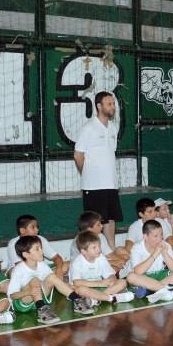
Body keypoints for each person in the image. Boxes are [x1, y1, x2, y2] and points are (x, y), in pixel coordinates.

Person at [74, 91, 123, 252]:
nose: (113, 107)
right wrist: (86, 173)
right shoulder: (89, 128)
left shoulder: (113, 128)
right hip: (93, 185)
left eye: (113, 104)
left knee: (110, 219)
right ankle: (92, 251)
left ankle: (111, 249)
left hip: (111, 183)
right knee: (94, 222)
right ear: (99, 106)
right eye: (109, 104)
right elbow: (78, 155)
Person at [7, 236, 92, 324]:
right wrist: (27, 292)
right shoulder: (18, 270)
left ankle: (77, 300)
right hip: (23, 303)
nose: (41, 251)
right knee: (35, 280)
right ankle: (42, 311)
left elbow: (55, 281)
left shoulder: (42, 265)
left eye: (41, 248)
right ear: (26, 254)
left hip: (39, 298)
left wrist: (69, 287)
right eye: (37, 249)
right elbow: (11, 296)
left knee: (51, 276)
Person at [125, 220, 173, 303]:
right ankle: (168, 289)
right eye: (155, 236)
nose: (160, 239)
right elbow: (138, 272)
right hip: (145, 278)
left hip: (161, 276)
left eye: (161, 235)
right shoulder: (137, 248)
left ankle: (151, 290)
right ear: (145, 236)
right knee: (131, 277)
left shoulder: (165, 245)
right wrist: (155, 254)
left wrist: (165, 254)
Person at [68, 231, 136, 306]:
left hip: (101, 290)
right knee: (81, 290)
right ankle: (111, 298)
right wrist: (100, 283)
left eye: (99, 246)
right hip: (87, 290)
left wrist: (111, 280)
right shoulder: (77, 262)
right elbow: (77, 283)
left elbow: (111, 275)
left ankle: (96, 299)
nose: (99, 250)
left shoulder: (101, 257)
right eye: (94, 248)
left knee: (122, 282)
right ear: (84, 251)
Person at [3, 215, 68, 278]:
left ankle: (43, 279)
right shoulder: (13, 243)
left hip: (40, 269)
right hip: (22, 271)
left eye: (37, 227)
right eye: (33, 227)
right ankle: (44, 279)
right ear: (22, 230)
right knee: (15, 273)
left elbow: (56, 257)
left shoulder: (40, 239)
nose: (37, 230)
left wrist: (59, 269)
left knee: (67, 264)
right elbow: (20, 265)